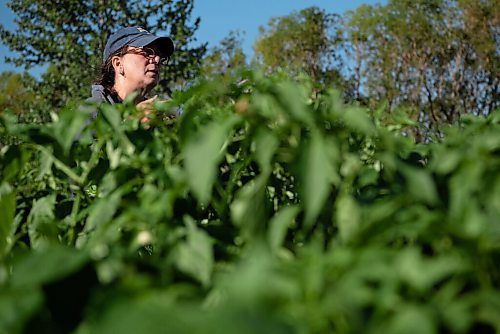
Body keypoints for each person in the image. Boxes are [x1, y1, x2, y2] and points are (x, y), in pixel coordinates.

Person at [86, 26, 175, 122]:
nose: (157, 59)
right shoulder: (91, 111)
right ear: (118, 63)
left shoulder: (158, 117)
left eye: (161, 57)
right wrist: (133, 125)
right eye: (147, 52)